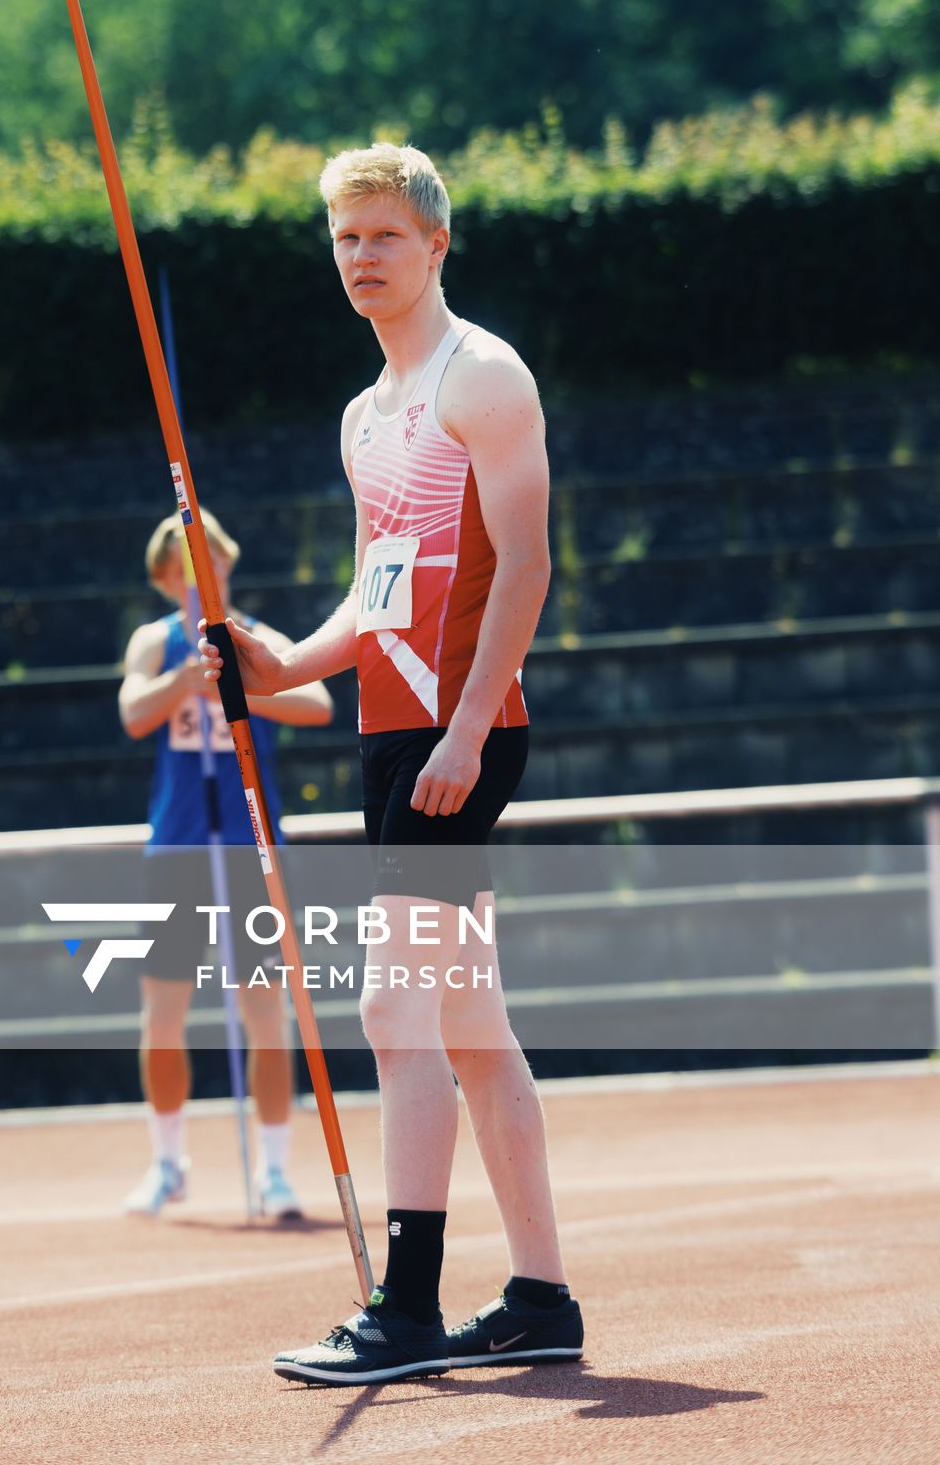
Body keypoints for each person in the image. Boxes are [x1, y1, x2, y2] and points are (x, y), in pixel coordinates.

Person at [201, 144, 582, 1383]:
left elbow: (522, 564)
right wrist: (274, 667)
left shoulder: (483, 378)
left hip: (459, 735)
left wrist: (469, 730)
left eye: (382, 236)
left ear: (434, 244)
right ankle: (538, 1298)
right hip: (391, 734)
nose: (360, 258)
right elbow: (371, 605)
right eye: (342, 239)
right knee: (470, 1022)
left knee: (391, 1002)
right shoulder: (367, 417)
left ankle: (405, 1306)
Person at [118, 508, 333, 1220]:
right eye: (185, 562)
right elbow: (133, 713)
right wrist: (185, 681)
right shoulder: (155, 642)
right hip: (179, 844)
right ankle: (167, 1161)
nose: (199, 572)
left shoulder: (254, 638)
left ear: (228, 564)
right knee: (164, 1012)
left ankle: (274, 1170)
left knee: (264, 1008)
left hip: (250, 845)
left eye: (210, 558)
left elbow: (320, 703)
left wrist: (244, 686)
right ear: (164, 575)